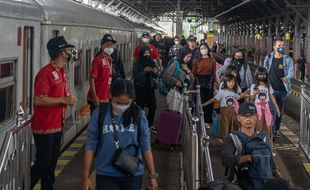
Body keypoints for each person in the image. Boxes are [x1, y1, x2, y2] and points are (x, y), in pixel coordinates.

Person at [82, 79, 159, 190]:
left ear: (132, 100)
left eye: (126, 103)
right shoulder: (100, 114)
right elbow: (90, 145)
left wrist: (152, 176)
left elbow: (145, 146)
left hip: (133, 174)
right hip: (105, 174)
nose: (122, 106)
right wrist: (85, 177)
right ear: (110, 95)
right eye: (118, 102)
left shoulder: (138, 115)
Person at [31, 36, 77, 190]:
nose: (69, 54)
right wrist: (63, 99)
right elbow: (38, 100)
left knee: (51, 164)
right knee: (43, 162)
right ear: (61, 53)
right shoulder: (46, 73)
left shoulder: (61, 72)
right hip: (44, 126)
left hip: (57, 124)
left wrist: (66, 99)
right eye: (67, 51)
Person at [221, 102, 280, 190]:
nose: (248, 119)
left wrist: (278, 175)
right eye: (244, 116)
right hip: (238, 184)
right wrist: (248, 158)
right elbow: (225, 160)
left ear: (256, 117)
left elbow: (271, 161)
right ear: (238, 118)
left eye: (251, 116)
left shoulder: (264, 137)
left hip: (264, 184)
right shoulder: (232, 138)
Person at [263, 37, 294, 138]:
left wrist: (287, 77)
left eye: (283, 45)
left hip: (283, 90)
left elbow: (291, 73)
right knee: (272, 110)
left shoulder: (288, 59)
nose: (281, 47)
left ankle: (276, 129)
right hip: (271, 90)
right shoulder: (268, 58)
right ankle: (271, 131)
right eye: (279, 45)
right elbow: (264, 71)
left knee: (279, 111)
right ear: (274, 46)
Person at [202, 74, 247, 141]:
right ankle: (224, 140)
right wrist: (204, 104)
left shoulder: (233, 92)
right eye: (229, 82)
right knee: (224, 125)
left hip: (232, 111)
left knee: (231, 125)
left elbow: (239, 97)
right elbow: (214, 99)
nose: (231, 83)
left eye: (233, 82)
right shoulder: (222, 92)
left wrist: (246, 92)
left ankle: (231, 140)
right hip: (224, 111)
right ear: (225, 82)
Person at [87, 34, 116, 114]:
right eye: (107, 45)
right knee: (97, 122)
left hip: (105, 98)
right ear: (102, 46)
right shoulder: (98, 60)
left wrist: (109, 94)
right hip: (97, 99)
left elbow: (108, 80)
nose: (110, 47)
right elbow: (92, 79)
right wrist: (95, 97)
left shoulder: (109, 60)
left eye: (111, 45)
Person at [250, 67, 281, 140]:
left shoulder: (268, 86)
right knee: (258, 125)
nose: (262, 76)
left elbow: (272, 97)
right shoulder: (254, 86)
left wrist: (277, 109)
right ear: (257, 75)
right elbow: (251, 100)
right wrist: (254, 94)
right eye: (260, 75)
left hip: (266, 109)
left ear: (267, 75)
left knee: (268, 125)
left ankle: (266, 140)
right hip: (257, 110)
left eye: (264, 75)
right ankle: (257, 140)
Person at [133, 47, 159, 133]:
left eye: (148, 53)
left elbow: (156, 75)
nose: (147, 55)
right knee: (140, 107)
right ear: (141, 54)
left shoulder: (152, 62)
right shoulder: (138, 63)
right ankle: (140, 124)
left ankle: (150, 124)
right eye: (145, 53)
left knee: (153, 106)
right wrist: (144, 71)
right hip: (140, 88)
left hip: (150, 88)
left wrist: (155, 71)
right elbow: (135, 76)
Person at [192, 43, 217, 124]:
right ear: (199, 50)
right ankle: (199, 118)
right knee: (199, 99)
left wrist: (214, 81)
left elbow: (213, 72)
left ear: (207, 49)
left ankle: (207, 120)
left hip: (209, 80)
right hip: (199, 80)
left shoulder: (212, 60)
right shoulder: (196, 60)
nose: (203, 50)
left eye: (205, 48)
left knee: (209, 100)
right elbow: (194, 72)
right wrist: (194, 82)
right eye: (201, 48)